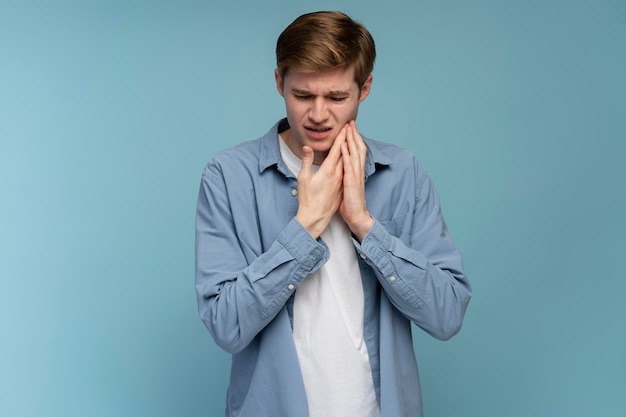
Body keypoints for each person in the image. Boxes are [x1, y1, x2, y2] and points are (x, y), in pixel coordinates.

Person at [195, 10, 471, 417]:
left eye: (337, 97)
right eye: (303, 95)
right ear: (279, 83)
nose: (319, 114)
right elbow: (226, 325)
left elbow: (446, 314)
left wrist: (364, 224)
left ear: (365, 89)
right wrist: (305, 226)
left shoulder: (402, 174)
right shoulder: (229, 177)